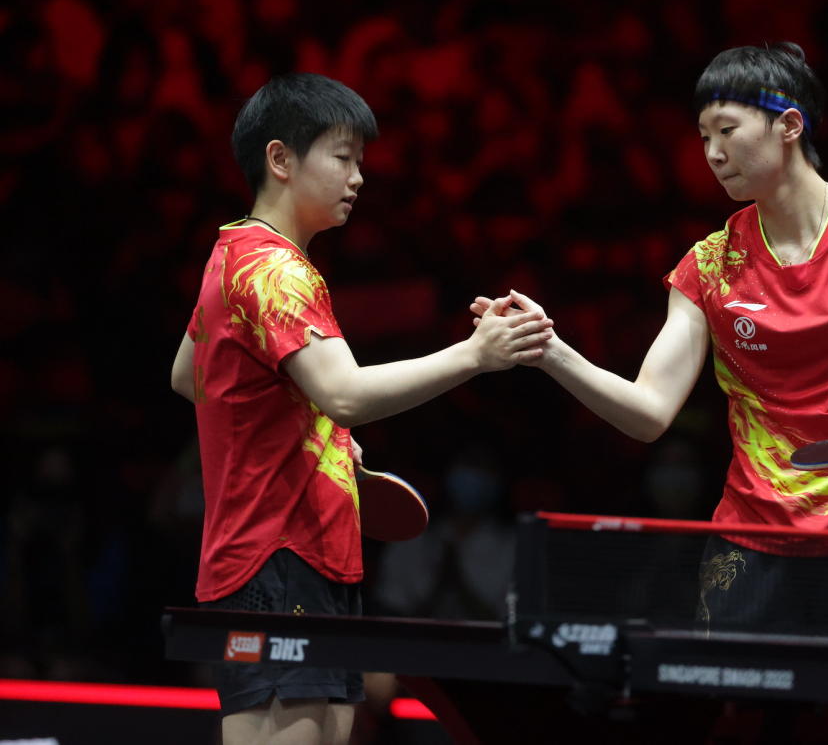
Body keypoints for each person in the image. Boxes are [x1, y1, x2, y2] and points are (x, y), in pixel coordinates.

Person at [473, 44, 828, 739]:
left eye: (727, 129)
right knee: (747, 729)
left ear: (789, 124)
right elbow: (649, 414)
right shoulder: (710, 268)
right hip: (756, 539)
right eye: (703, 137)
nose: (712, 153)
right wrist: (553, 351)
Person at [170, 72, 552, 745]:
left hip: (315, 554)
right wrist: (475, 355)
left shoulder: (232, 253)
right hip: (272, 557)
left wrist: (307, 427)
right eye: (342, 157)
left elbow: (188, 374)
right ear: (281, 159)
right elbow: (343, 392)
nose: (358, 177)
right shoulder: (274, 272)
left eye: (360, 162)